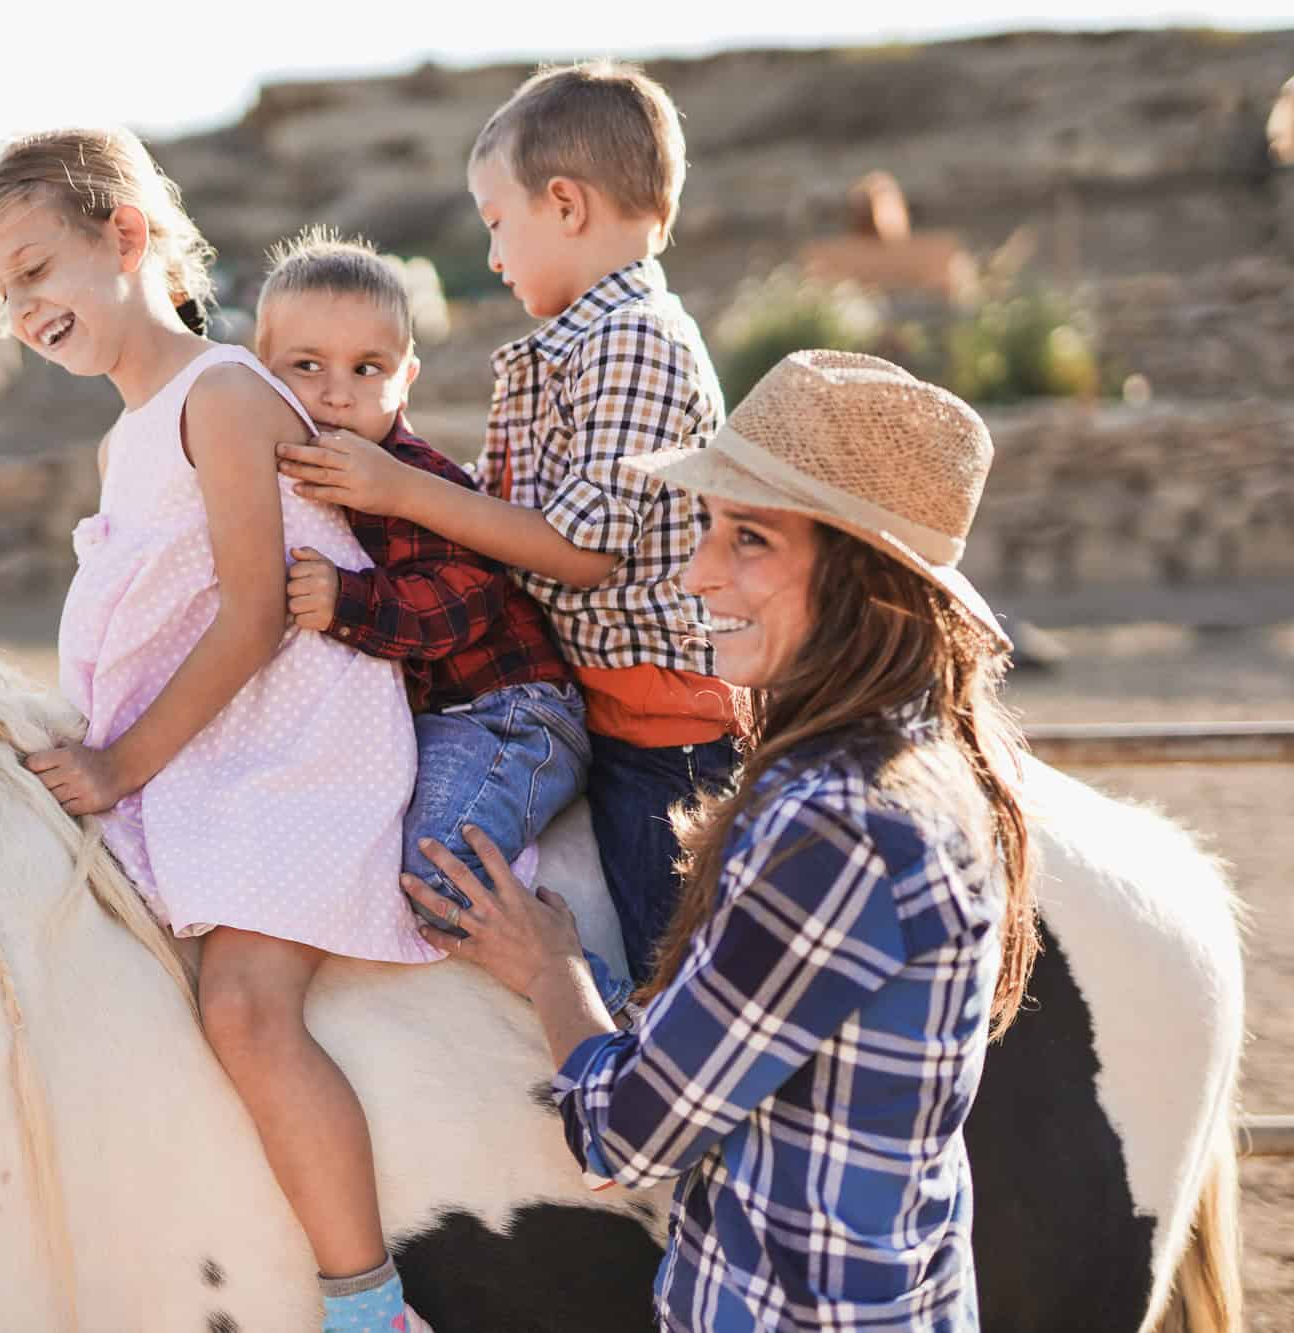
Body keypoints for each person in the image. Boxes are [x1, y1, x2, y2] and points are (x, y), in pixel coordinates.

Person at [0, 128, 438, 1332]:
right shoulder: (120, 433)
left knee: (244, 1007)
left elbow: (254, 616)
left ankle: (368, 1305)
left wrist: (117, 764)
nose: (23, 306)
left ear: (127, 236)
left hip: (292, 745)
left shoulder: (227, 393)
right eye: (4, 292)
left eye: (36, 268)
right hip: (203, 742)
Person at [399, 350, 1041, 1330]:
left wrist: (548, 968)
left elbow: (629, 1137)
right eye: (708, 528)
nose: (699, 571)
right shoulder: (931, 756)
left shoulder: (833, 823)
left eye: (748, 540)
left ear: (859, 577)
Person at [277, 60, 737, 987]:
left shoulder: (636, 341)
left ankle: (597, 1021)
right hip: (599, 697)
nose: (492, 257)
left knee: (672, 963)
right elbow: (494, 507)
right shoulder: (571, 347)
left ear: (564, 205)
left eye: (497, 224)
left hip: (664, 727)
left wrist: (397, 490)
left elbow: (576, 551)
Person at [254, 226, 632, 1015]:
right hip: (437, 720)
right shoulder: (283, 474)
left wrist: (350, 605)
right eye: (305, 366)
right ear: (261, 370)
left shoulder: (418, 480)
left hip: (509, 715)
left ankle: (622, 1014)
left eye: (367, 369)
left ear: (407, 379)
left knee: (436, 874)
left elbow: (463, 597)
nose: (335, 392)